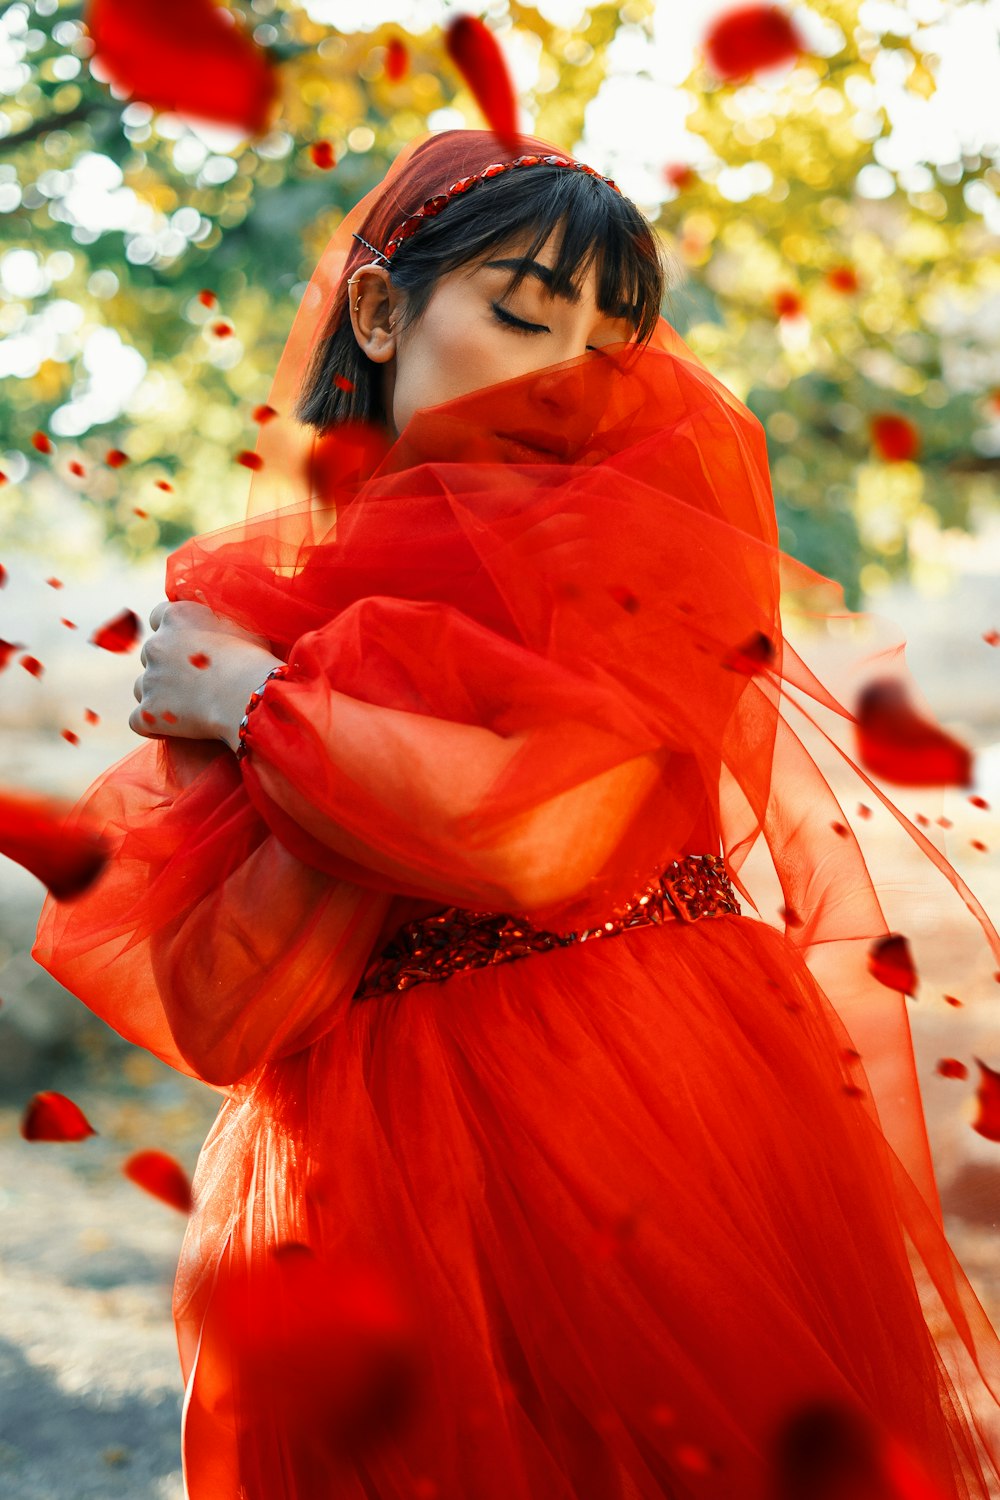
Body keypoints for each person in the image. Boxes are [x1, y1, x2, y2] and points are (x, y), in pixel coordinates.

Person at [33, 129, 1000, 1500]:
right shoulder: (271, 614)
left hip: (631, 1094)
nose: (572, 369)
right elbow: (222, 1012)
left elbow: (535, 835)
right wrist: (279, 700)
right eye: (522, 314)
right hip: (361, 1154)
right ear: (381, 311)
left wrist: (261, 710)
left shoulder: (623, 551)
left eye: (615, 334)